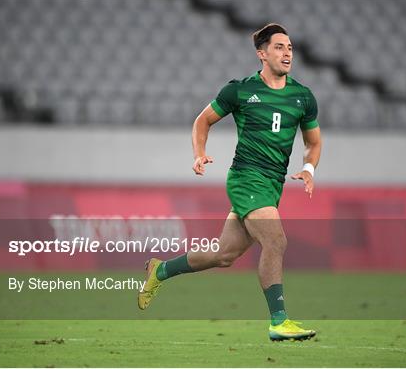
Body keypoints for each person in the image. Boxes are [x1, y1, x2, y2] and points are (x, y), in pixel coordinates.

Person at [138, 23, 322, 341]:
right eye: (279, 47)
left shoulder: (303, 97)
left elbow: (313, 142)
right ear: (262, 54)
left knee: (224, 255)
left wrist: (308, 168)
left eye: (290, 47)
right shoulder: (240, 90)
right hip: (246, 179)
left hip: (272, 184)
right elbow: (203, 120)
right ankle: (279, 321)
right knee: (276, 242)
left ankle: (161, 270)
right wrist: (199, 153)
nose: (287, 52)